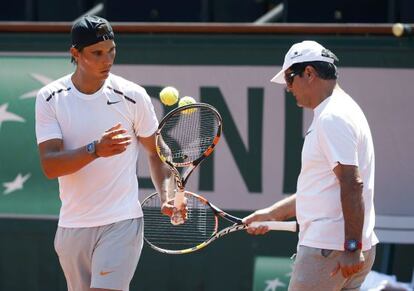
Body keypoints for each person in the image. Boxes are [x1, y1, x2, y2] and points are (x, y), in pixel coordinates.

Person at [35, 15, 177, 291]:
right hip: (73, 225)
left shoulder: (133, 96)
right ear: (75, 54)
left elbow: (158, 153)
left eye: (111, 50)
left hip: (121, 222)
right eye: (96, 53)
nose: (107, 60)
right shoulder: (50, 98)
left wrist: (168, 195)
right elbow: (50, 166)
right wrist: (95, 150)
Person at [243, 40, 378, 291]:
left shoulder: (332, 117)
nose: (287, 87)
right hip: (341, 248)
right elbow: (323, 187)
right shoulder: (343, 110)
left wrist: (351, 247)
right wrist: (273, 213)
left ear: (309, 73)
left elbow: (352, 182)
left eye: (289, 78)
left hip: (331, 249)